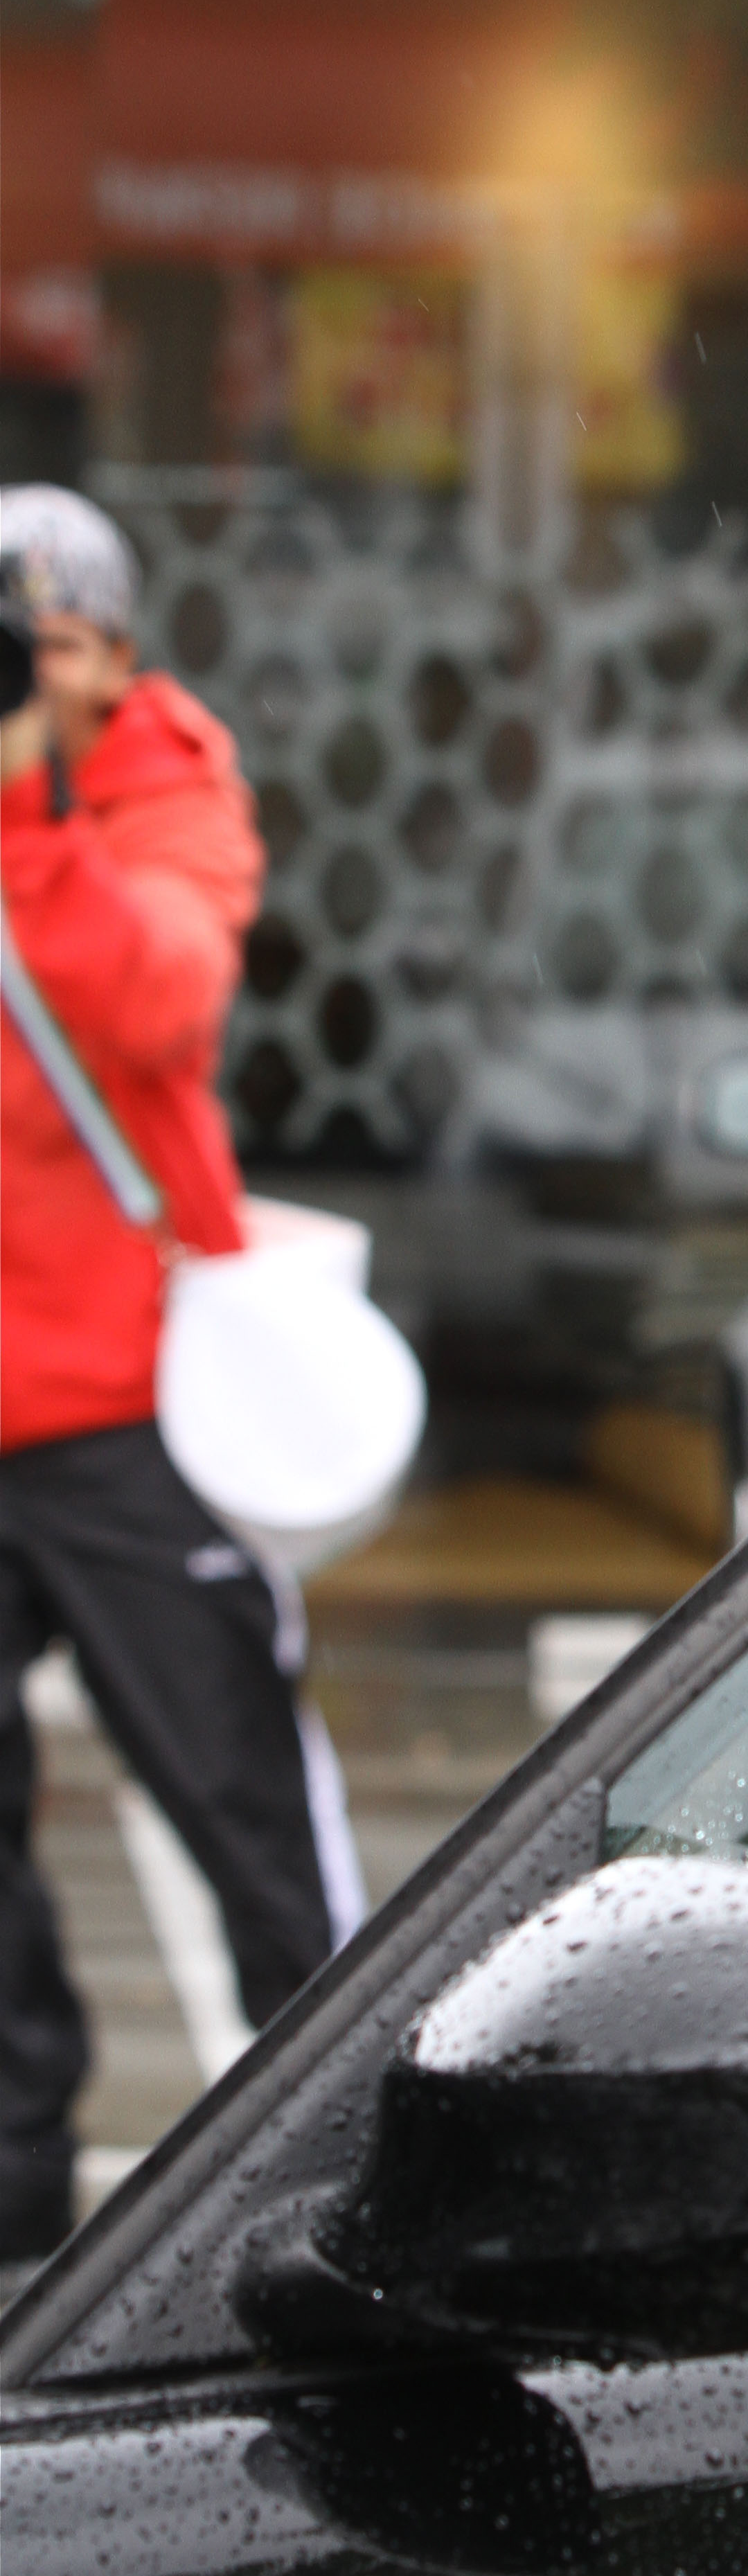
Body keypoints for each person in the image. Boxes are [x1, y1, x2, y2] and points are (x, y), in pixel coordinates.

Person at [0, 486, 357, 2265]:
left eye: (48, 648)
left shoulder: (166, 784)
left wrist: (27, 810)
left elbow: (158, 1004)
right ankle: (14, 2196)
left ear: (117, 658)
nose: (26, 681)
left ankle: (346, 2167)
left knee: (239, 1806)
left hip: (132, 1403)